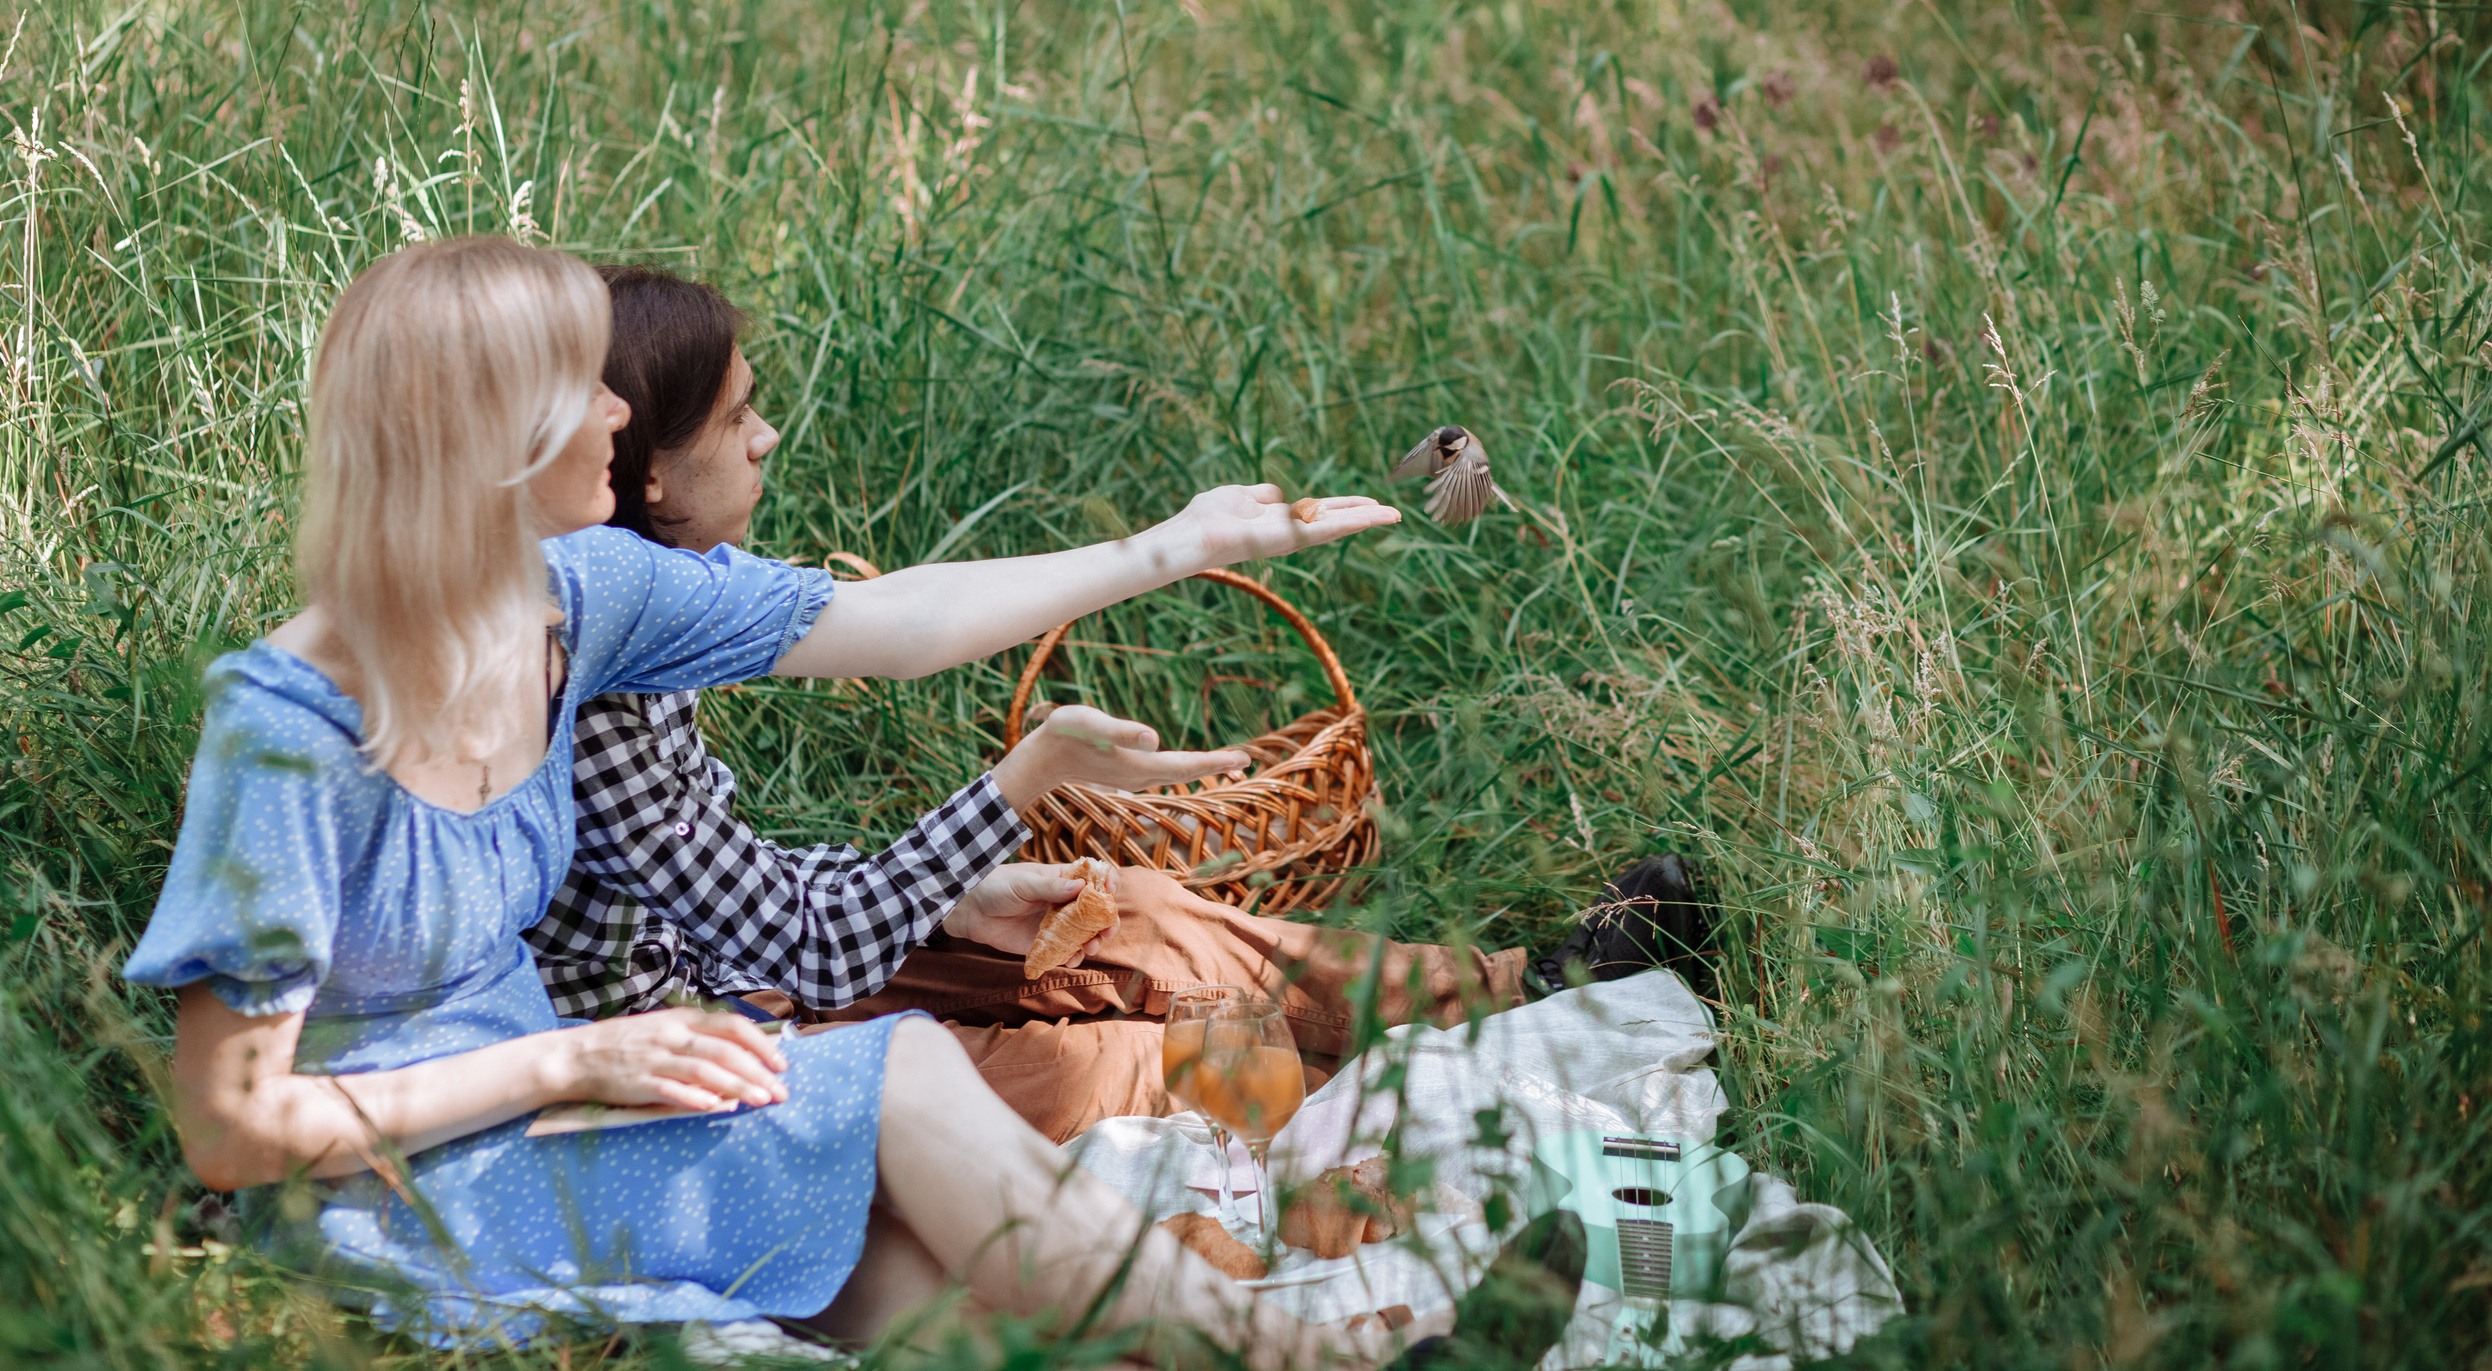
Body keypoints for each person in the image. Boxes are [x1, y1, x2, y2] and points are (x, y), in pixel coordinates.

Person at [122, 236, 1601, 1362]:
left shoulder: (574, 593)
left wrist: (1173, 542)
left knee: (910, 1274)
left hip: (584, 1093)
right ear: (490, 433)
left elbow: (888, 627)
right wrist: (570, 1063)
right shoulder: (289, 730)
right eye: (585, 383)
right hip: (412, 1190)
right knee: (893, 1074)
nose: (622, 410)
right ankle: (1320, 1345)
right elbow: (232, 1130)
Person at [527, 267, 1715, 1144]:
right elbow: (811, 945)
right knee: (1112, 1071)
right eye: (736, 417)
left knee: (1125, 913)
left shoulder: (662, 596)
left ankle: (1524, 994)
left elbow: (734, 879)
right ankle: (1457, 1116)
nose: (767, 433)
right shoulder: (599, 683)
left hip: (752, 973)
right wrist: (1019, 788)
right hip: (707, 1059)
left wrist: (957, 884)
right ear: (640, 469)